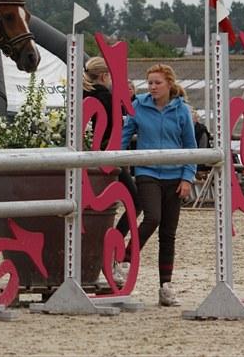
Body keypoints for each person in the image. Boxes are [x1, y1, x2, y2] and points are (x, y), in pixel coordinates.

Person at [119, 64, 197, 306]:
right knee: (152, 217)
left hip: (175, 175)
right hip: (147, 171)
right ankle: (124, 259)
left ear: (169, 85)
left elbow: (190, 146)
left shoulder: (182, 111)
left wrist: (187, 177)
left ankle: (165, 287)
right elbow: (124, 137)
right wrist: (114, 160)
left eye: (157, 83)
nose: (152, 87)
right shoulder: (138, 106)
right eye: (149, 82)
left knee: (168, 234)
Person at [81, 57, 139, 286]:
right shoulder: (105, 96)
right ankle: (111, 248)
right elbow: (124, 116)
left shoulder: (83, 94)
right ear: (104, 76)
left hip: (89, 159)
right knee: (135, 202)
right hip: (106, 157)